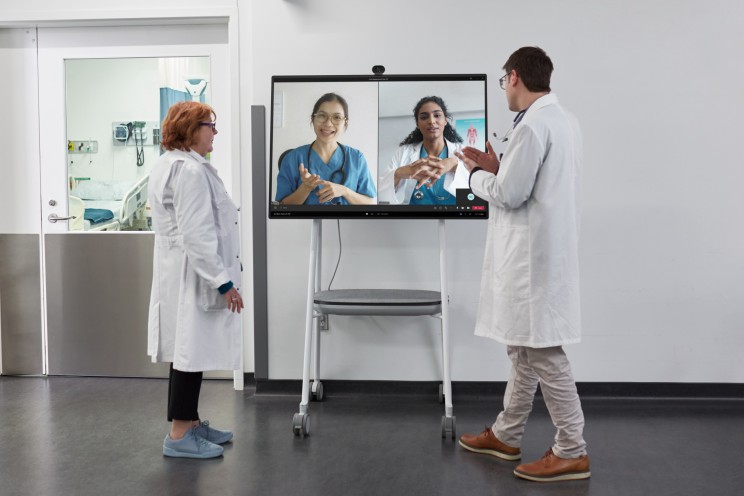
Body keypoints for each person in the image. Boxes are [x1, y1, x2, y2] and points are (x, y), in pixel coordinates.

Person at [455, 47, 589, 482]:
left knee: (543, 352)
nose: (504, 90)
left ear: (514, 77)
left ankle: (572, 448)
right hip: (544, 254)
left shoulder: (534, 125)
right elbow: (525, 180)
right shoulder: (563, 121)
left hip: (533, 260)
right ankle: (507, 433)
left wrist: (475, 175)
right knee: (522, 348)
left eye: (503, 82)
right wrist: (500, 165)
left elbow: (510, 194)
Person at [147, 101, 244, 459]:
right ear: (190, 128)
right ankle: (178, 436)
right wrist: (224, 283)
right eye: (210, 125)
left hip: (184, 273)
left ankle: (190, 422)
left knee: (187, 353)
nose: (214, 131)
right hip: (195, 275)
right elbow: (197, 234)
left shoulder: (172, 164)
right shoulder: (188, 171)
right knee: (189, 354)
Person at [275, 92, 376, 205]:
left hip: (346, 223)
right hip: (306, 222)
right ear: (313, 119)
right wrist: (305, 188)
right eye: (322, 115)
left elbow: (370, 203)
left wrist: (344, 191)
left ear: (345, 123)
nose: (328, 123)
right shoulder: (293, 158)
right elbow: (281, 207)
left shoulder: (356, 158)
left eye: (337, 117)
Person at [378, 96, 469, 205]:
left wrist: (455, 165)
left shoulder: (463, 152)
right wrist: (398, 173)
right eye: (424, 117)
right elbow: (380, 193)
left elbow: (478, 194)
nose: (431, 121)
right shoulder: (403, 152)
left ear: (445, 120)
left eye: (437, 115)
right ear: (417, 123)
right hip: (414, 219)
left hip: (454, 218)